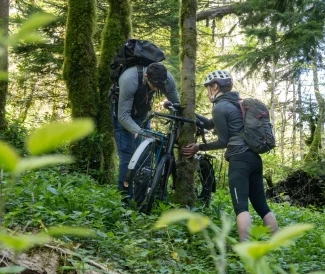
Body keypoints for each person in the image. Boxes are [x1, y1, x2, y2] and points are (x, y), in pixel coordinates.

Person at [181, 70, 278, 242]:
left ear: (215, 86)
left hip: (239, 161)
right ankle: (279, 245)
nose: (208, 92)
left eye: (208, 88)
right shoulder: (238, 104)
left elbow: (223, 141)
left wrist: (199, 147)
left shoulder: (220, 107)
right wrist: (189, 113)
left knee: (241, 207)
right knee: (262, 206)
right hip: (254, 159)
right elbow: (212, 125)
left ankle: (244, 248)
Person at [112, 62, 180, 196]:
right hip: (123, 116)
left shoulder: (167, 80)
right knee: (128, 157)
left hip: (142, 116)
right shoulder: (129, 80)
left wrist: (179, 128)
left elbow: (177, 106)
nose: (156, 89)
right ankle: (124, 200)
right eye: (154, 85)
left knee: (145, 158)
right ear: (146, 76)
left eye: (159, 86)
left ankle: (141, 198)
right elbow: (123, 116)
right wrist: (139, 132)